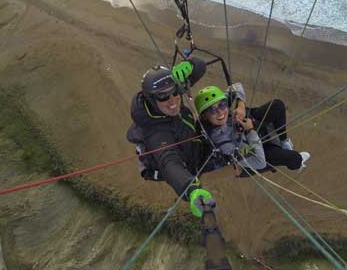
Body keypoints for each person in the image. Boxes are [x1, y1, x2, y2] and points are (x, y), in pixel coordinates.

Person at [126, 58, 216, 217]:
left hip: (190, 139)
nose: (173, 100)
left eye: (175, 92)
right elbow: (169, 162)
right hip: (188, 165)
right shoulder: (156, 133)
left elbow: (200, 68)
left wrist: (191, 65)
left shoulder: (168, 101)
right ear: (151, 100)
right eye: (163, 97)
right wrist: (192, 190)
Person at [195, 84, 310, 175]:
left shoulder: (223, 107)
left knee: (277, 105)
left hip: (248, 125)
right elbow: (259, 162)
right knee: (294, 159)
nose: (220, 112)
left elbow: (237, 86)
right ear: (204, 116)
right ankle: (289, 161)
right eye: (212, 110)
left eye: (222, 105)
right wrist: (250, 131)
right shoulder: (222, 143)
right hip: (254, 149)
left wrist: (241, 105)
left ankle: (284, 142)